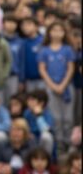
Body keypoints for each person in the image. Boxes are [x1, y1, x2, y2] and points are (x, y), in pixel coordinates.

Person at [38, 21, 75, 150]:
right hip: (50, 86)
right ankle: (58, 143)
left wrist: (63, 85)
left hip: (67, 87)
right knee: (56, 117)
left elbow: (71, 68)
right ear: (49, 33)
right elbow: (42, 69)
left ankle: (70, 142)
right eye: (54, 30)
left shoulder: (68, 49)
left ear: (64, 33)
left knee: (68, 118)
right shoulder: (44, 50)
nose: (57, 33)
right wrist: (53, 85)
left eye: (60, 30)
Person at [23, 90, 55, 155]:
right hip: (31, 139)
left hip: (42, 139)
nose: (29, 102)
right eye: (28, 100)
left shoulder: (47, 114)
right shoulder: (27, 113)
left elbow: (46, 130)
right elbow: (24, 126)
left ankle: (47, 159)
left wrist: (39, 116)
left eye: (32, 100)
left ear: (41, 103)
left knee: (46, 136)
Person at [3, 15, 25, 103]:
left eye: (13, 23)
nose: (10, 25)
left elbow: (22, 62)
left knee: (13, 101)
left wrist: (21, 80)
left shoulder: (20, 42)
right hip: (0, 76)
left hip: (14, 76)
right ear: (3, 24)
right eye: (8, 22)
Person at [21, 18, 45, 93]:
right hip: (28, 80)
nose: (26, 27)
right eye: (23, 25)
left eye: (29, 24)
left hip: (43, 79)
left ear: (37, 27)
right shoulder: (22, 43)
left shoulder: (43, 41)